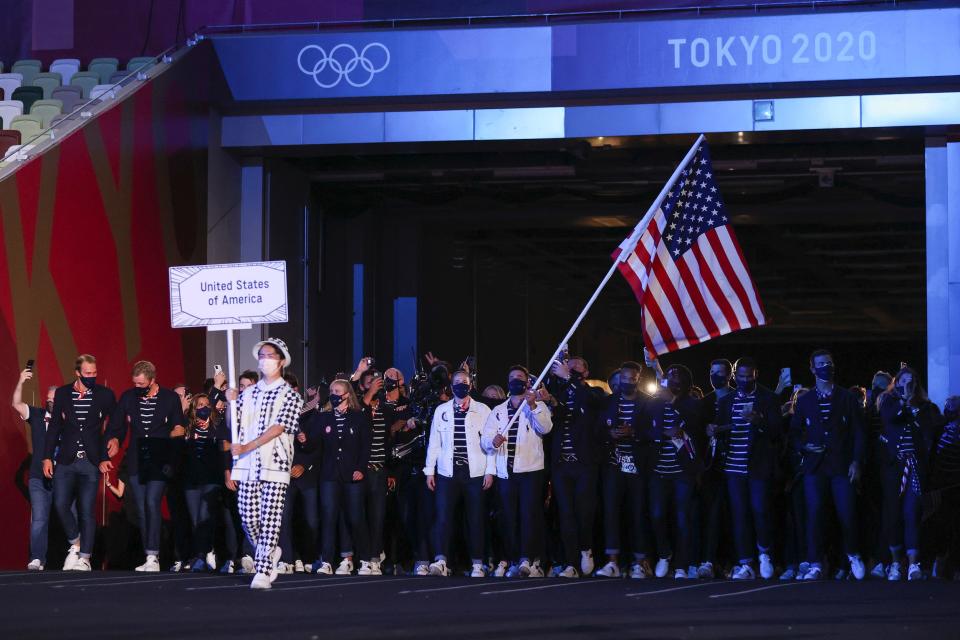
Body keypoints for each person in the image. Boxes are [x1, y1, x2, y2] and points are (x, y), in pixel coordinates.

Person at [228, 338, 304, 589]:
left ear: (281, 361)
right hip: (248, 465)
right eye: (261, 354)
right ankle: (269, 552)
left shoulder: (290, 396)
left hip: (276, 462)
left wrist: (249, 446)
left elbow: (279, 427)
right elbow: (233, 424)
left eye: (270, 355)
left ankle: (262, 569)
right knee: (248, 516)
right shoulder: (249, 393)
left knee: (270, 516)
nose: (264, 359)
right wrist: (230, 400)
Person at [789, 349, 866, 580]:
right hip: (815, 466)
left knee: (847, 513)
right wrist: (804, 446)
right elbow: (794, 432)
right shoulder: (805, 400)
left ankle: (852, 555)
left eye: (829, 363)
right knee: (814, 514)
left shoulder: (847, 397)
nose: (826, 367)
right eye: (821, 364)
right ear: (812, 368)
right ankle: (815, 562)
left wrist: (856, 461)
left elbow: (859, 432)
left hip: (841, 465)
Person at [103, 360, 186, 572]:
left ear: (152, 380)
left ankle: (154, 556)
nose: (137, 387)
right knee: (140, 508)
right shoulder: (129, 397)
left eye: (141, 384)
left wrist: (174, 435)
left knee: (152, 502)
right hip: (136, 457)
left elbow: (179, 425)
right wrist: (114, 439)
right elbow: (117, 425)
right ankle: (149, 554)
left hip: (160, 455)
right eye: (135, 383)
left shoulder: (169, 398)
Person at [43, 354, 116, 571]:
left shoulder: (104, 395)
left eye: (94, 373)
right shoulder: (64, 393)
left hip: (91, 461)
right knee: (61, 504)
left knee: (86, 509)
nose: (92, 377)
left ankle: (85, 557)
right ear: (77, 373)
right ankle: (75, 543)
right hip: (66, 459)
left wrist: (115, 439)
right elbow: (54, 426)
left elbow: (116, 422)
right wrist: (47, 456)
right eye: (87, 374)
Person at [711, 357, 781, 580]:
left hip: (758, 465)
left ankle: (765, 554)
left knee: (760, 510)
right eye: (740, 377)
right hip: (734, 466)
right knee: (739, 515)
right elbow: (722, 430)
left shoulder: (768, 398)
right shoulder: (727, 401)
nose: (744, 380)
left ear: (755, 375)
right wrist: (714, 431)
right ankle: (745, 562)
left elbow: (777, 433)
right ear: (734, 376)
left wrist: (759, 421)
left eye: (748, 377)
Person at [481, 365, 553, 578]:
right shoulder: (499, 411)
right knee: (508, 517)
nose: (516, 381)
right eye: (512, 378)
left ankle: (528, 559)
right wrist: (492, 442)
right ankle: (513, 558)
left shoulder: (536, 406)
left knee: (529, 515)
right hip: (506, 472)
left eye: (520, 378)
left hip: (530, 471)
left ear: (527, 382)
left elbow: (545, 428)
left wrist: (533, 406)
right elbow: (486, 439)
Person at [424, 370, 495, 577]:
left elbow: (490, 443)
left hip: (475, 472)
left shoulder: (483, 410)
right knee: (443, 517)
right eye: (456, 382)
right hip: (448, 471)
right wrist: (430, 471)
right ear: (451, 386)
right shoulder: (441, 410)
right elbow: (434, 443)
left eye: (464, 382)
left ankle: (477, 563)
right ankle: (441, 560)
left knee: (475, 518)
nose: (460, 386)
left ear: (470, 385)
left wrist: (490, 471)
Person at [302, 379, 373, 575]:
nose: (333, 394)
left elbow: (365, 446)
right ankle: (326, 561)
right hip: (330, 475)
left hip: (352, 475)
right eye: (332, 391)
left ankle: (365, 560)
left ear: (347, 394)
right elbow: (312, 444)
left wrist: (360, 468)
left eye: (337, 391)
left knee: (356, 517)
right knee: (329, 516)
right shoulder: (324, 418)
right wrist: (304, 440)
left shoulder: (359, 417)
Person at [877, 367, 941, 580]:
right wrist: (904, 401)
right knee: (893, 515)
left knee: (911, 513)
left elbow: (930, 430)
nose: (907, 384)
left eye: (911, 381)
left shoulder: (926, 407)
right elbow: (890, 420)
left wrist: (914, 408)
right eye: (903, 380)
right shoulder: (888, 402)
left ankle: (914, 563)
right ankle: (895, 562)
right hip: (893, 467)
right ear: (896, 382)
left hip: (914, 466)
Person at [547, 357, 605, 578]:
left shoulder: (593, 392)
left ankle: (586, 549)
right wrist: (552, 397)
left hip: (585, 464)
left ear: (586, 372)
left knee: (585, 511)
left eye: (578, 364)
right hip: (562, 465)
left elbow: (591, 402)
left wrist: (570, 379)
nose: (571, 366)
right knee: (566, 513)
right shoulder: (558, 393)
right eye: (568, 364)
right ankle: (571, 562)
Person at [646, 364, 705, 579]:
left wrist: (673, 403)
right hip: (659, 469)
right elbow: (644, 429)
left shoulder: (693, 403)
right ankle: (664, 553)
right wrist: (659, 433)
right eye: (671, 376)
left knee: (682, 518)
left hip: (683, 471)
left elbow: (696, 425)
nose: (674, 380)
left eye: (679, 376)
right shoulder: (654, 404)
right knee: (657, 514)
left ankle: (682, 564)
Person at [595, 361, 650, 579]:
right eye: (623, 379)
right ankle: (612, 563)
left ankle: (639, 562)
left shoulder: (647, 403)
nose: (627, 382)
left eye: (632, 378)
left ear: (638, 378)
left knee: (637, 513)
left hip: (637, 467)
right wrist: (610, 435)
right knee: (611, 513)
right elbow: (596, 431)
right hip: (613, 466)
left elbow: (653, 432)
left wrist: (634, 432)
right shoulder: (608, 402)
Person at [360, 367, 406, 574]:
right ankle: (363, 557)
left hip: (380, 471)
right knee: (359, 516)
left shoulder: (387, 410)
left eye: (379, 382)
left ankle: (375, 556)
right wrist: (368, 396)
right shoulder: (357, 408)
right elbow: (358, 418)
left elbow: (391, 442)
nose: (376, 385)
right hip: (359, 471)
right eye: (371, 383)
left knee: (378, 516)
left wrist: (391, 473)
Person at [12, 368, 57, 570]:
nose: (50, 402)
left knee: (71, 514)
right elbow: (16, 404)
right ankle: (37, 558)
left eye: (54, 399)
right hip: (38, 478)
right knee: (39, 518)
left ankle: (79, 554)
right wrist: (21, 381)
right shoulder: (38, 415)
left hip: (62, 477)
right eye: (48, 398)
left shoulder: (67, 421)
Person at [696, 358, 734, 579]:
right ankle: (709, 560)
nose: (716, 376)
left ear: (729, 375)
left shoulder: (737, 398)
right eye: (712, 372)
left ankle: (734, 562)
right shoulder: (705, 402)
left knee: (733, 515)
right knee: (711, 514)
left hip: (735, 463)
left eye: (720, 372)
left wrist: (721, 429)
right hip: (710, 467)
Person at [182, 393, 227, 572]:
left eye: (206, 404)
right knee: (195, 520)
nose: (203, 408)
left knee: (204, 517)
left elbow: (223, 450)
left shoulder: (217, 426)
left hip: (211, 478)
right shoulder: (188, 427)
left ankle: (202, 555)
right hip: (192, 479)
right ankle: (204, 551)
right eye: (199, 405)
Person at [928, 396, 960, 579]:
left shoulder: (943, 430)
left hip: (952, 485)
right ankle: (942, 563)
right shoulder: (941, 430)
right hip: (943, 487)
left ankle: (950, 565)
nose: (949, 410)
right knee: (944, 526)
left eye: (952, 407)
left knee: (952, 526)